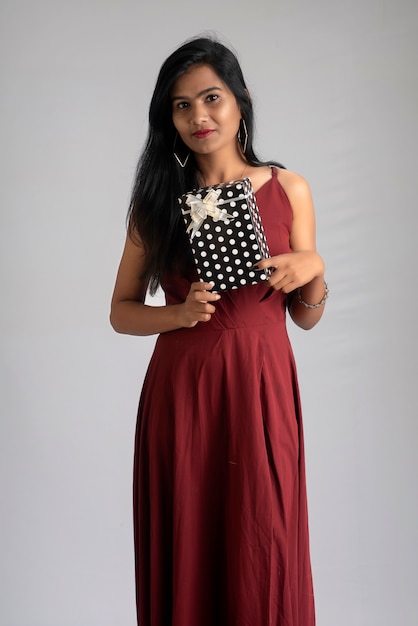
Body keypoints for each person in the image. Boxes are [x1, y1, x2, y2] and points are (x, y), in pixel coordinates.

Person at [110, 35, 327, 626]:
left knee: (265, 536)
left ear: (240, 102)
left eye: (211, 98)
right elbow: (121, 311)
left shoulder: (288, 188)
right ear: (168, 117)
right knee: (192, 537)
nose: (198, 116)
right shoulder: (156, 204)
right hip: (183, 393)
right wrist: (178, 315)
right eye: (181, 105)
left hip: (261, 387)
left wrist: (313, 270)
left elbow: (306, 316)